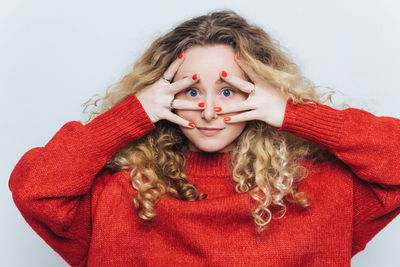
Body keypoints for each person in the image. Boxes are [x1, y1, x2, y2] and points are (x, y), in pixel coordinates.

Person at [9, 9, 400, 267]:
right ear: (159, 94)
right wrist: (131, 114)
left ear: (262, 91)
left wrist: (293, 113)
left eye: (229, 91)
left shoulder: (321, 190)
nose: (210, 111)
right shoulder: (116, 192)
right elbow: (34, 189)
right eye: (191, 91)